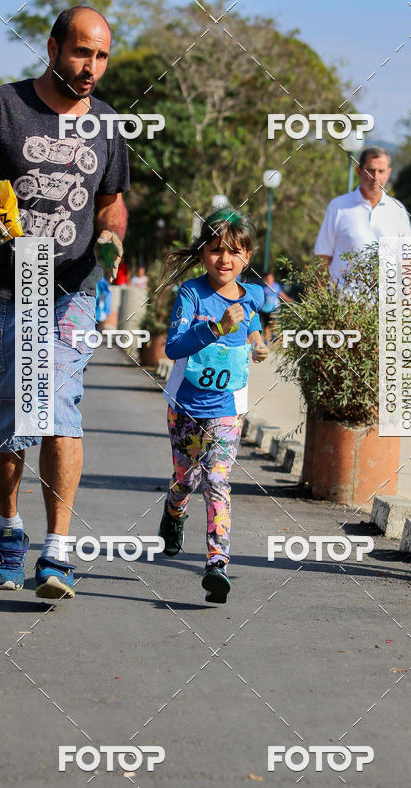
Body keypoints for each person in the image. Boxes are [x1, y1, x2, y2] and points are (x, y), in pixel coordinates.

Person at [0, 5, 129, 600]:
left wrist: (112, 235)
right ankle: (9, 526)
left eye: (102, 56)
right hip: (3, 293)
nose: (92, 67)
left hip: (70, 293)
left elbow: (112, 201)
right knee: (8, 420)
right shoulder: (0, 107)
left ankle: (56, 551)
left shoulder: (108, 125)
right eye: (82, 53)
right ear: (53, 47)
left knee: (60, 408)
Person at [158, 209, 269, 604]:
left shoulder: (251, 295)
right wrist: (216, 328)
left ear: (247, 258)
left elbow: (252, 320)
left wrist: (257, 344)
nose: (225, 259)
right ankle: (174, 514)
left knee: (218, 480)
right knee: (186, 478)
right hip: (186, 405)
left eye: (234, 251)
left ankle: (217, 564)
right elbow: (174, 347)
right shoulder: (191, 294)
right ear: (204, 253)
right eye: (216, 249)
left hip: (227, 407)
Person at [313, 147, 411, 283]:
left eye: (381, 171)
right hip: (343, 302)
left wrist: (410, 302)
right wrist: (320, 301)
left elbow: (409, 261)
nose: (375, 177)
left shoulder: (398, 210)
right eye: (370, 170)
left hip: (388, 303)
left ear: (388, 174)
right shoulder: (337, 207)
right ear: (359, 171)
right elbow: (322, 260)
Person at [260, 271, 293, 342]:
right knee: (266, 326)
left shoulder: (276, 286)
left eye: (271, 278)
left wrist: (289, 300)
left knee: (274, 323)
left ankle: (274, 334)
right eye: (268, 278)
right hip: (265, 310)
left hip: (274, 308)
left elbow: (281, 294)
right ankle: (266, 340)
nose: (270, 280)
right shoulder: (262, 288)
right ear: (264, 279)